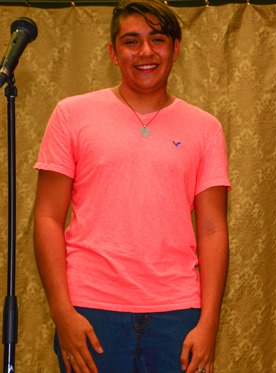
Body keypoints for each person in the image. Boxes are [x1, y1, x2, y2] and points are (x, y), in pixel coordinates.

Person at [33, 1, 230, 372]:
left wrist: (208, 322)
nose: (145, 52)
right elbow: (46, 217)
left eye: (157, 39)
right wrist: (62, 311)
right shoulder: (71, 114)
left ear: (176, 48)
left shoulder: (206, 128)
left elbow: (213, 228)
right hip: (91, 311)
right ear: (112, 52)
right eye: (131, 41)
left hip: (179, 314)